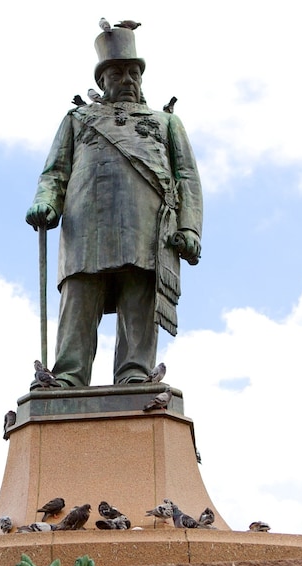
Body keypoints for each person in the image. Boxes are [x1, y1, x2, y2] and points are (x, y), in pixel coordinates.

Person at [25, 24, 202, 387]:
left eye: (134, 72)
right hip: (86, 225)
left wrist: (189, 227)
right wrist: (45, 200)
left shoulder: (166, 122)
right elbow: (55, 171)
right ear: (102, 80)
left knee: (138, 298)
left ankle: (134, 373)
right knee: (79, 299)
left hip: (147, 228)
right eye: (118, 72)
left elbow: (186, 177)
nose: (127, 79)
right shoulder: (77, 120)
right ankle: (68, 376)